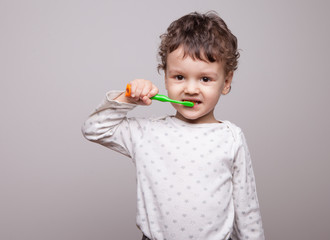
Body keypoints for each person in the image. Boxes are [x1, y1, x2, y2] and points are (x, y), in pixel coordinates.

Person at [82, 11, 265, 240]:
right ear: (165, 76)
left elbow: (246, 211)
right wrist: (128, 99)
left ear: (226, 82)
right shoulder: (147, 133)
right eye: (179, 77)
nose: (190, 89)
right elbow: (94, 128)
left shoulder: (231, 138)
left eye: (205, 79)